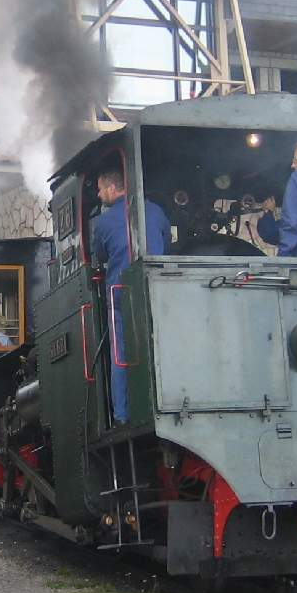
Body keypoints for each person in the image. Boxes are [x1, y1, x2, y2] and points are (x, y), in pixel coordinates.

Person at [89, 167, 171, 424]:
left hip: (121, 294)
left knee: (120, 355)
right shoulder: (156, 211)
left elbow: (100, 255)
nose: (99, 194)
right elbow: (166, 243)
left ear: (112, 188)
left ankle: (122, 415)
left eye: (100, 189)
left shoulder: (103, 222)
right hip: (157, 291)